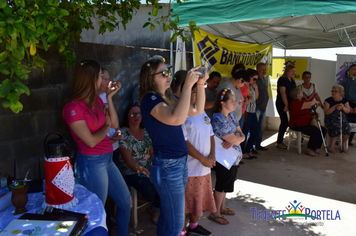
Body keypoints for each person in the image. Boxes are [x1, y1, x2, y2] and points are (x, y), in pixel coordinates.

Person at [139, 55, 208, 236]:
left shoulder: (167, 96)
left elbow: (198, 110)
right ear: (150, 78)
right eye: (163, 73)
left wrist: (200, 85)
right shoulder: (150, 99)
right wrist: (187, 85)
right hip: (168, 166)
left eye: (168, 71)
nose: (167, 75)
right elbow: (176, 119)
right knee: (177, 224)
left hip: (178, 163)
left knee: (168, 217)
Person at [63, 60, 131, 236]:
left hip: (107, 159)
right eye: (101, 76)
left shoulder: (95, 100)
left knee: (125, 203)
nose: (105, 80)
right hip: (91, 163)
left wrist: (109, 98)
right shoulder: (73, 107)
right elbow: (91, 141)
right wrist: (107, 125)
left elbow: (115, 123)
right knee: (96, 213)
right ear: (90, 78)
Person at [182, 83, 220, 235]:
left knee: (196, 199)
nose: (195, 94)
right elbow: (184, 142)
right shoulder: (182, 113)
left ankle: (193, 225)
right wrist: (203, 159)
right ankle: (182, 229)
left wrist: (212, 156)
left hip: (204, 167)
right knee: (186, 200)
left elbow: (210, 134)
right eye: (192, 91)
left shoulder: (201, 112)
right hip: (191, 167)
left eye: (197, 91)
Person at [117, 103, 160, 225]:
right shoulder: (124, 133)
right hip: (130, 171)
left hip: (147, 168)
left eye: (139, 113)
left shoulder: (146, 132)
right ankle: (155, 207)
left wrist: (153, 167)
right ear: (127, 116)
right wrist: (143, 171)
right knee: (148, 186)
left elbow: (151, 153)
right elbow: (128, 160)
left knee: (166, 181)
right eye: (133, 113)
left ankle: (154, 208)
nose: (136, 116)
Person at [210, 88, 245, 225]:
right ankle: (215, 212)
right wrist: (236, 138)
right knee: (221, 185)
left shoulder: (231, 116)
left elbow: (239, 135)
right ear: (223, 103)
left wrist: (237, 139)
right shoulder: (218, 118)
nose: (234, 103)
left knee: (226, 184)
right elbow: (235, 137)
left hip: (233, 158)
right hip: (223, 158)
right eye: (232, 101)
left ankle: (222, 208)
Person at [289, 87, 326, 156]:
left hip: (305, 123)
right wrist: (316, 102)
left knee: (323, 130)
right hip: (298, 124)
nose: (302, 94)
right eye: (302, 93)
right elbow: (308, 105)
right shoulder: (295, 102)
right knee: (315, 131)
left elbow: (306, 113)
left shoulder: (301, 102)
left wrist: (314, 114)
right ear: (299, 95)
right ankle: (309, 149)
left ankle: (314, 148)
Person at [98, 67, 122, 165]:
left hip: (114, 147)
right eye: (105, 79)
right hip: (100, 150)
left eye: (109, 79)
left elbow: (114, 123)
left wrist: (118, 130)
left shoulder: (106, 95)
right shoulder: (90, 100)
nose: (109, 82)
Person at [324, 85, 351, 153]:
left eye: (335, 91)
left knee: (347, 127)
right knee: (336, 127)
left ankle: (343, 145)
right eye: (332, 91)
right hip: (330, 119)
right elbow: (327, 112)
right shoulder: (328, 100)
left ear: (340, 93)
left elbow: (348, 111)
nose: (333, 92)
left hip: (341, 119)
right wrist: (335, 106)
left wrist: (342, 107)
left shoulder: (345, 100)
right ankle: (331, 146)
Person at [276, 65, 297, 149]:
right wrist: (286, 105)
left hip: (291, 103)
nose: (293, 73)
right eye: (292, 71)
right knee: (284, 122)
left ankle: (299, 139)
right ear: (287, 71)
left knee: (292, 121)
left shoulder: (292, 80)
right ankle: (279, 141)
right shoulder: (282, 79)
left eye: (294, 71)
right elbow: (283, 93)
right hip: (282, 103)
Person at [241, 69, 259, 159]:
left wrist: (256, 87)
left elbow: (255, 98)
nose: (255, 81)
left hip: (253, 111)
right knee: (244, 132)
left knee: (256, 131)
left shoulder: (252, 87)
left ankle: (248, 149)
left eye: (256, 79)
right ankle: (243, 151)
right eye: (254, 79)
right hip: (246, 111)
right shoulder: (244, 86)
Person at [254, 62, 269, 151]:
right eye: (262, 69)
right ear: (257, 70)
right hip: (257, 107)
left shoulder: (264, 79)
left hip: (264, 107)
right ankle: (251, 147)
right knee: (254, 128)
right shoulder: (256, 80)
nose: (264, 71)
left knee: (261, 128)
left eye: (265, 69)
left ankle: (258, 145)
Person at [342, 64, 356, 146]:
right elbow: (342, 95)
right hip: (348, 103)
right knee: (347, 122)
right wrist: (348, 106)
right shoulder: (345, 82)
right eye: (354, 69)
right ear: (350, 70)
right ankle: (346, 141)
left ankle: (350, 140)